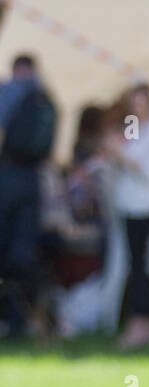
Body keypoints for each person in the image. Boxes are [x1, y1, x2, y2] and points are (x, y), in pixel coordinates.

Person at [103, 84, 149, 349]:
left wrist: (119, 153)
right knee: (136, 264)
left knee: (141, 265)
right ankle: (146, 324)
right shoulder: (135, 130)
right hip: (130, 205)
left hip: (147, 205)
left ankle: (142, 322)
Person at [0, 54, 56, 337]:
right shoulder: (47, 98)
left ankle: (12, 321)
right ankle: (26, 320)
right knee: (23, 252)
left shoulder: (11, 91)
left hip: (7, 177)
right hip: (32, 181)